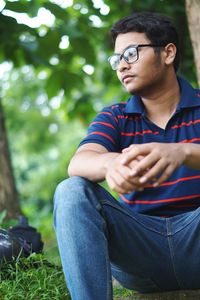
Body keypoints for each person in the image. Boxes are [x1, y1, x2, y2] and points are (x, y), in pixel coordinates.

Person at [53, 11, 200, 300]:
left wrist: (182, 152)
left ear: (168, 53)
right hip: (140, 252)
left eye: (131, 53)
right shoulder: (115, 116)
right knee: (71, 190)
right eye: (116, 59)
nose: (122, 65)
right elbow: (80, 161)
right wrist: (112, 162)